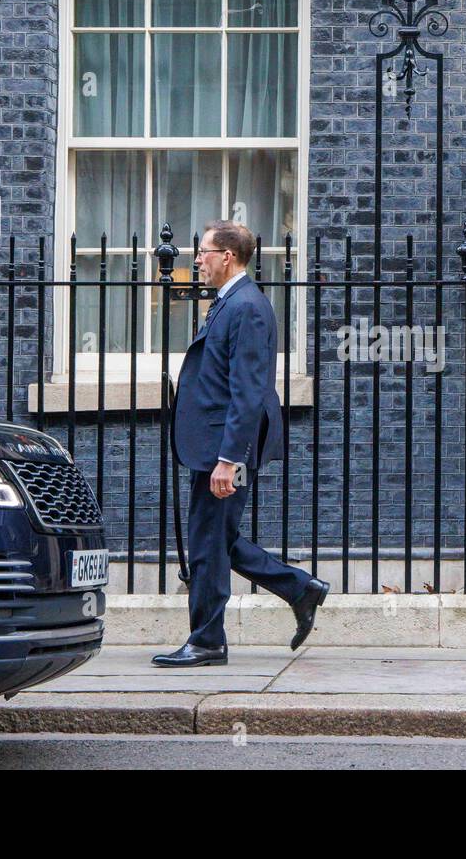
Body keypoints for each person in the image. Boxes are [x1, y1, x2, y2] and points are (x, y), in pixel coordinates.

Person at [152, 221, 329, 667]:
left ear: (227, 256)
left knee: (209, 540)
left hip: (227, 447)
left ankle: (209, 640)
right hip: (214, 442)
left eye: (204, 251)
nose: (196, 259)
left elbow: (248, 390)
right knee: (211, 538)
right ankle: (298, 588)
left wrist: (229, 460)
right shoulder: (230, 302)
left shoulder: (246, 306)